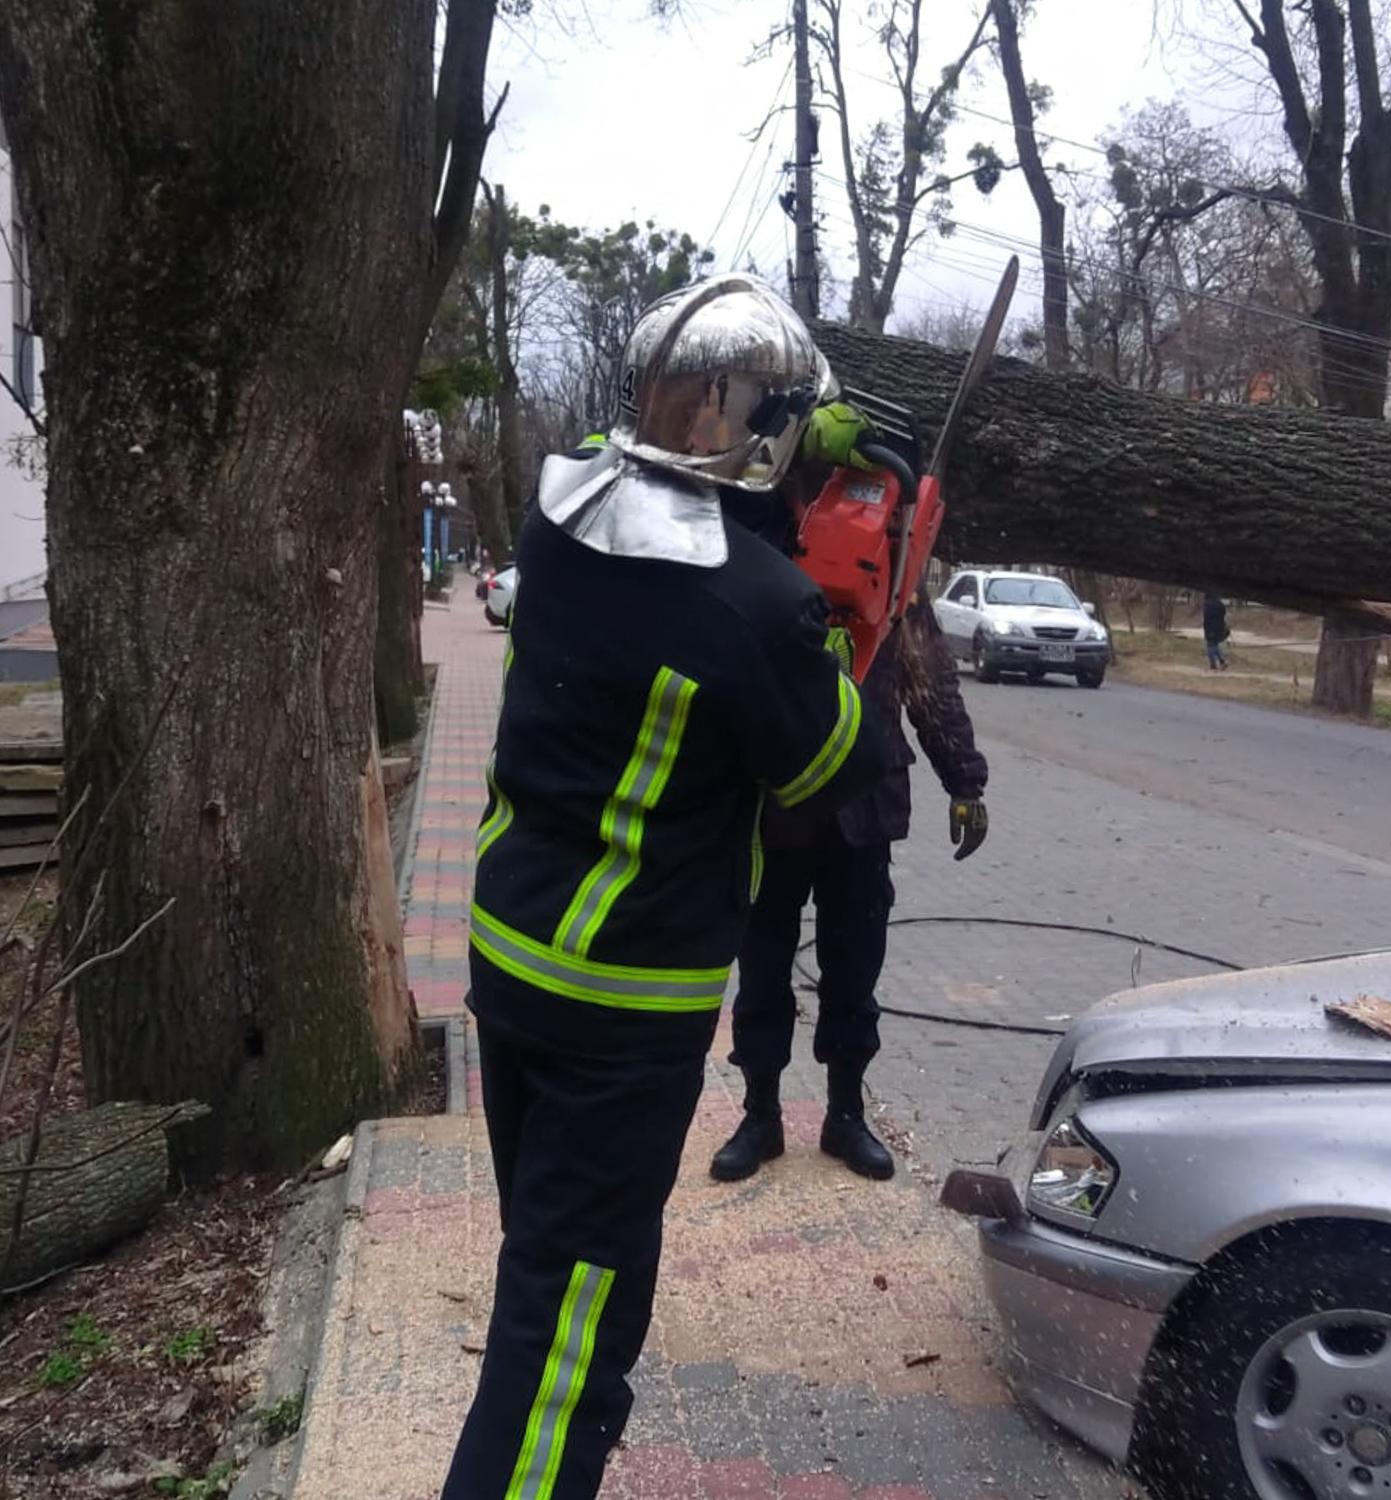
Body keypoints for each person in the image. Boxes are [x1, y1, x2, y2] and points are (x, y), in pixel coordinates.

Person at [441, 274, 888, 1500]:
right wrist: (856, 578)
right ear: (774, 441)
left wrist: (783, 449)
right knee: (565, 1337)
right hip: (621, 1006)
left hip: (513, 956)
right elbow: (835, 763)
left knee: (550, 1259)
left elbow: (649, 461)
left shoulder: (557, 507)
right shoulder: (756, 607)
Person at [711, 590, 989, 1184]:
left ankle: (846, 1113)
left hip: (864, 807)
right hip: (774, 805)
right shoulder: (773, 557)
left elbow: (929, 678)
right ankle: (760, 1113)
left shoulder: (895, 580)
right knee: (761, 969)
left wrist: (965, 779)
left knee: (855, 971)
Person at [1203, 592, 1230, 670]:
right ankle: (1222, 662)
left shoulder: (1207, 604)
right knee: (1214, 646)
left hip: (1211, 628)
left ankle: (1213, 665)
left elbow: (1206, 617)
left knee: (1210, 646)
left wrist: (1206, 628)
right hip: (1220, 627)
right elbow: (1224, 613)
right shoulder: (1220, 603)